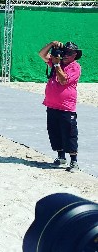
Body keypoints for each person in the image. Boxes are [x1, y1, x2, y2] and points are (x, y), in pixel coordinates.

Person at [38, 41, 82, 172]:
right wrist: (52, 44)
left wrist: (56, 64)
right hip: (52, 105)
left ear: (74, 55)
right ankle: (60, 157)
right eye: (64, 52)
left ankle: (74, 161)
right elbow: (41, 54)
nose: (65, 55)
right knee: (54, 132)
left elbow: (63, 80)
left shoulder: (75, 67)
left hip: (66, 107)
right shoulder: (57, 63)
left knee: (69, 133)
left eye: (68, 53)